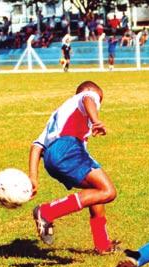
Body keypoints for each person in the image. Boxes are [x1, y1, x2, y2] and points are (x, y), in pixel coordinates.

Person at [29, 81, 119, 254]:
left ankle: (102, 244)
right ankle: (47, 211)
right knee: (109, 191)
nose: (98, 103)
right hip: (69, 148)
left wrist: (33, 177)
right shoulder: (86, 95)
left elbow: (36, 146)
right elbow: (87, 98)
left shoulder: (57, 115)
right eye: (99, 100)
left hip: (52, 157)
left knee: (96, 190)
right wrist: (95, 120)